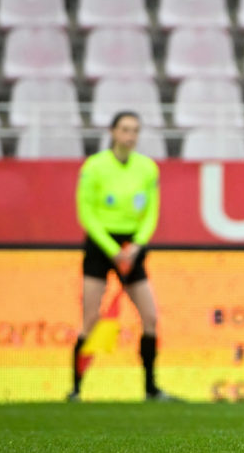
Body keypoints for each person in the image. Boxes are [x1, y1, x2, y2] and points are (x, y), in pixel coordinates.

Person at [69, 111, 176, 402]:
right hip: (101, 246)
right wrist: (112, 249)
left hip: (132, 246)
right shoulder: (94, 167)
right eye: (125, 129)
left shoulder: (147, 168)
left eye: (135, 130)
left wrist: (137, 244)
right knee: (90, 318)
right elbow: (86, 213)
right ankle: (76, 388)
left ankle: (151, 388)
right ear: (113, 132)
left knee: (150, 316)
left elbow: (151, 211)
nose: (130, 135)